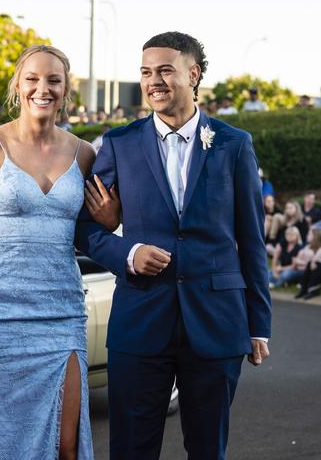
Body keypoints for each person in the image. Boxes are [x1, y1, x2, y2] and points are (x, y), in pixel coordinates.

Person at [76, 32, 271, 459]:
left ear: (193, 74)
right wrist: (127, 253)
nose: (154, 81)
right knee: (130, 448)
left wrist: (258, 323)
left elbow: (252, 239)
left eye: (165, 70)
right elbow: (84, 230)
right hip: (141, 320)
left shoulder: (234, 144)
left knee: (207, 448)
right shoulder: (119, 143)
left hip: (217, 321)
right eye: (146, 72)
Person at [0, 45, 115, 460]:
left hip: (62, 313)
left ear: (66, 90)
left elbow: (102, 222)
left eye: (54, 80)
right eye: (33, 79)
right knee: (3, 439)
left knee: (66, 443)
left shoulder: (84, 153)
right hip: (0, 315)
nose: (43, 88)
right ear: (18, 85)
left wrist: (109, 217)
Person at [294, 229, 321, 300]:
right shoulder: (307, 246)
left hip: (311, 268)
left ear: (315, 237)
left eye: (309, 234)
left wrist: (313, 261)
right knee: (312, 264)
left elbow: (316, 257)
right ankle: (304, 289)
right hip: (303, 268)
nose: (307, 235)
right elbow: (296, 259)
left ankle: (313, 289)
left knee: (317, 265)